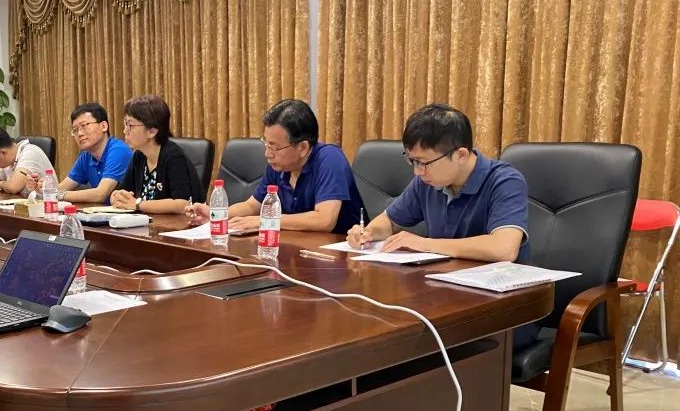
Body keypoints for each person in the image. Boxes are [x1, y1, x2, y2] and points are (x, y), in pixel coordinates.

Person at [346, 103, 529, 263]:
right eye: (413, 161)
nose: (417, 171)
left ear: (461, 155)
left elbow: (504, 248)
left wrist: (425, 244)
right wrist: (368, 233)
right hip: (444, 280)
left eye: (423, 162)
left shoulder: (505, 181)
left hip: (498, 287)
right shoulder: (426, 181)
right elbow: (390, 221)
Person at [187, 99, 364, 233]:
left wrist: (265, 220)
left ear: (302, 148)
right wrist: (215, 214)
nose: (267, 154)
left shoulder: (330, 159)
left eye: (274, 147)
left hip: (341, 256)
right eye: (266, 144)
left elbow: (324, 220)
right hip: (296, 248)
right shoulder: (279, 166)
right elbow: (252, 206)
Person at [109, 95, 202, 214]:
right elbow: (123, 190)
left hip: (177, 224)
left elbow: (182, 204)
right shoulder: (139, 155)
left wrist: (137, 204)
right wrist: (116, 196)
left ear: (152, 131)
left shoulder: (173, 156)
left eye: (130, 125)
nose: (125, 131)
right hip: (146, 222)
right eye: (125, 124)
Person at [48, 102, 132, 204]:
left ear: (104, 126)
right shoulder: (86, 156)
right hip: (102, 212)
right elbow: (61, 188)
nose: (79, 133)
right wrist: (41, 189)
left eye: (84, 126)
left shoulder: (118, 150)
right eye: (75, 130)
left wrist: (59, 195)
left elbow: (100, 194)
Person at [0, 127, 56, 195]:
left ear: (3, 153)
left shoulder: (29, 153)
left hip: (46, 204)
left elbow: (13, 187)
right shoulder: (8, 161)